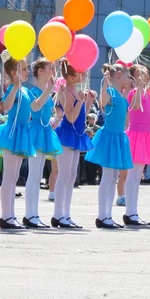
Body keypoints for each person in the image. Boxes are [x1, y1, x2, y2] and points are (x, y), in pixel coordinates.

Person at [0, 53, 36, 230]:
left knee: (15, 176)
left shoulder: (24, 90)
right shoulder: (13, 88)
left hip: (22, 133)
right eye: (24, 69)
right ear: (14, 72)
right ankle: (5, 216)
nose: (27, 71)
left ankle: (11, 214)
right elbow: (6, 106)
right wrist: (15, 87)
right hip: (12, 133)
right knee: (9, 176)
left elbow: (31, 109)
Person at [85, 64, 134, 229]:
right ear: (119, 75)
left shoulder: (121, 94)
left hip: (118, 136)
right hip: (110, 137)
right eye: (127, 77)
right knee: (107, 177)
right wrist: (105, 85)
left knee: (113, 177)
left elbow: (126, 120)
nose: (129, 80)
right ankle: (102, 215)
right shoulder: (111, 92)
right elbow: (103, 104)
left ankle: (108, 215)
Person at [52, 61, 95, 228]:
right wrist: (79, 101)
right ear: (71, 76)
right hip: (67, 135)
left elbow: (81, 116)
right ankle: (58, 214)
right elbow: (69, 117)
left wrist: (87, 101)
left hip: (76, 135)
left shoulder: (75, 91)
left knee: (71, 176)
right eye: (79, 72)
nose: (83, 74)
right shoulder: (67, 92)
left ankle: (66, 214)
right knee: (64, 175)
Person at [24, 58, 61, 228]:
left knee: (38, 175)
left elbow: (47, 111)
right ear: (40, 71)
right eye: (50, 68)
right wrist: (49, 90)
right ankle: (29, 214)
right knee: (33, 175)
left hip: (44, 131)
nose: (53, 71)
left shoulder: (45, 90)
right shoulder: (32, 90)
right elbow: (35, 107)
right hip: (35, 132)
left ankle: (34, 214)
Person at [123, 65, 150, 226]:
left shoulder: (145, 93)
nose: (144, 77)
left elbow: (146, 109)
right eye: (140, 74)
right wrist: (137, 88)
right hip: (136, 136)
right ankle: (130, 212)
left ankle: (133, 211)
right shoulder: (133, 92)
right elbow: (135, 107)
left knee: (138, 176)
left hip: (145, 135)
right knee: (133, 175)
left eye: (145, 74)